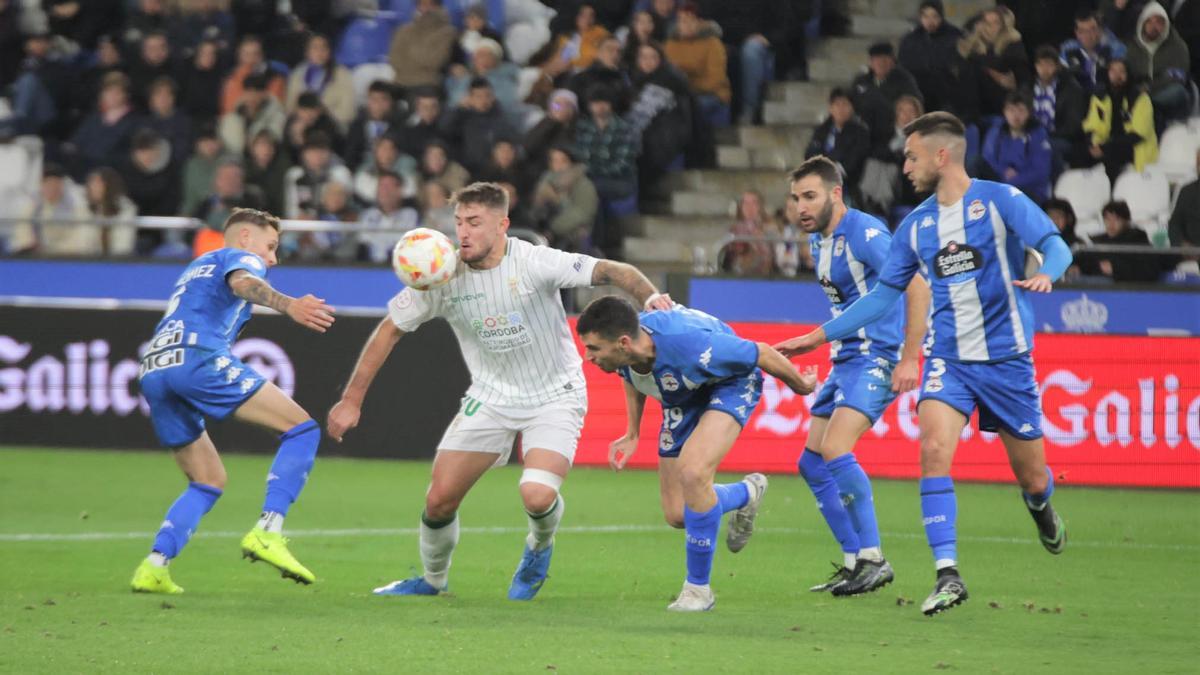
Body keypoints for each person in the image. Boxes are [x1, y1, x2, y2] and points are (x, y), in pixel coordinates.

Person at [774, 112, 1073, 616]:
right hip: (950, 360)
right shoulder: (916, 226)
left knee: (1034, 478)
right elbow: (880, 298)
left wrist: (1050, 273)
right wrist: (818, 337)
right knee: (933, 448)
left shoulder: (999, 201)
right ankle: (948, 574)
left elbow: (1054, 244)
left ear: (941, 155)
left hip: (1007, 361)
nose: (904, 165)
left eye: (911, 156)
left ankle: (1041, 508)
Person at [325, 182, 674, 601]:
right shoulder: (441, 274)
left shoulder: (535, 262)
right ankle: (433, 581)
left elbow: (615, 272)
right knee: (438, 501)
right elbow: (388, 331)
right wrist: (351, 399)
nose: (463, 233)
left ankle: (539, 547)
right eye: (458, 223)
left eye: (474, 222)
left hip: (555, 394)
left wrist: (651, 298)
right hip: (491, 396)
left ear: (502, 225)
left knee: (537, 494)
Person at [130, 208, 336, 594]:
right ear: (245, 237)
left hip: (155, 367)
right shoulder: (238, 258)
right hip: (196, 358)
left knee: (207, 480)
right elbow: (243, 282)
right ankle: (268, 531)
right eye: (271, 247)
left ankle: (154, 566)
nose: (273, 258)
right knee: (302, 429)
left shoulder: (195, 268)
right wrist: (288, 304)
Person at [577, 297, 817, 611]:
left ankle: (698, 590)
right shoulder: (628, 347)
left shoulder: (688, 344)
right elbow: (631, 374)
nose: (588, 357)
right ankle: (747, 492)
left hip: (729, 383)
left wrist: (801, 386)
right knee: (678, 513)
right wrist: (633, 431)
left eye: (593, 348)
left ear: (622, 343)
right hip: (682, 397)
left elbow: (760, 352)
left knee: (693, 474)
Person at [787, 156, 930, 595]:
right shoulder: (818, 242)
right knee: (811, 462)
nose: (801, 208)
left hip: (877, 356)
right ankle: (853, 560)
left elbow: (917, 285)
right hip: (846, 358)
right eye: (795, 199)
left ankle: (874, 558)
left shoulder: (866, 234)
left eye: (809, 196)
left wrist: (910, 357)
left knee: (834, 449)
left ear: (835, 193)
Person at [981, 92, 1052, 203]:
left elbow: (1040, 172)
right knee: (975, 163)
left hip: (1028, 189)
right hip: (1001, 183)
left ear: (1029, 112)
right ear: (1004, 112)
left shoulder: (1038, 134)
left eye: (1021, 110)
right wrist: (1003, 170)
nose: (1016, 115)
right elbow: (988, 158)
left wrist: (1012, 182)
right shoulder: (997, 130)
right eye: (1011, 110)